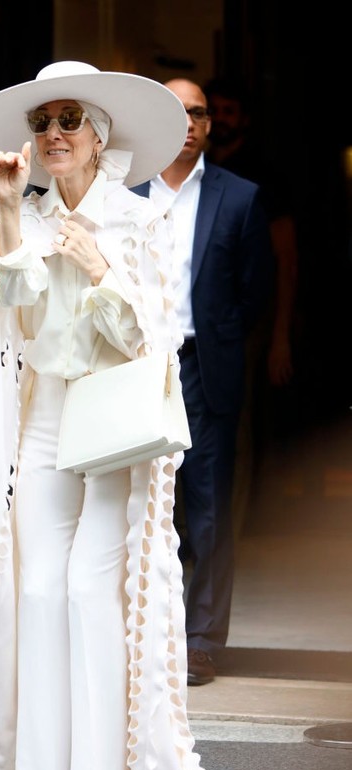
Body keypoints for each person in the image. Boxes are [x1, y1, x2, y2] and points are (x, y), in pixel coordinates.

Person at [0, 60, 241, 770]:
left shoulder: (138, 220)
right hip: (49, 424)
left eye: (68, 122)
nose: (52, 135)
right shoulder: (26, 212)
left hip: (114, 428)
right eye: (42, 123)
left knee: (94, 593)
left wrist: (100, 274)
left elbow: (146, 341)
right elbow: (13, 308)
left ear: (98, 137)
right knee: (40, 595)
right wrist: (8, 207)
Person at [132, 78, 274, 685]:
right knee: (142, 503)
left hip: (204, 366)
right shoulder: (123, 191)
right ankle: (139, 634)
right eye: (177, 111)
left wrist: (218, 337)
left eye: (198, 112)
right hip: (138, 368)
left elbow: (256, 290)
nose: (188, 121)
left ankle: (201, 641)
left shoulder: (239, 198)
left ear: (210, 125)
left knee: (210, 508)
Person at [203, 76, 300, 477]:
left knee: (234, 421)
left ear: (244, 119)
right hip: (199, 318)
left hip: (248, 321)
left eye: (229, 112)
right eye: (215, 111)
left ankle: (234, 532)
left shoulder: (262, 177)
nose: (221, 120)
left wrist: (280, 336)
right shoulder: (195, 171)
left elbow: (286, 255)